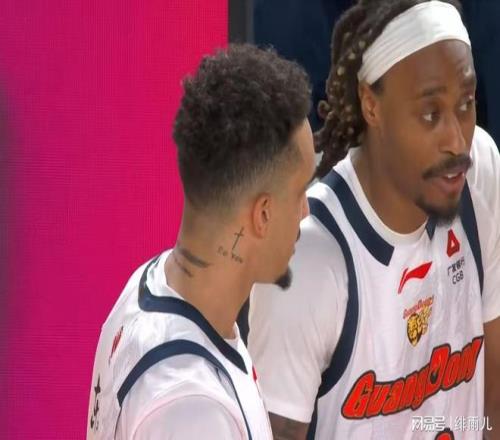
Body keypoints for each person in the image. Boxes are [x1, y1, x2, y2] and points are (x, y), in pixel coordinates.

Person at [248, 1, 500, 439]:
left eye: (466, 104)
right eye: (430, 114)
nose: (457, 140)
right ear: (371, 105)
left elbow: (492, 396)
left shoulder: (479, 168)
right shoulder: (307, 258)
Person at [86, 43, 316, 439]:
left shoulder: (150, 282)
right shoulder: (192, 410)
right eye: (299, 193)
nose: (306, 213)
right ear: (262, 215)